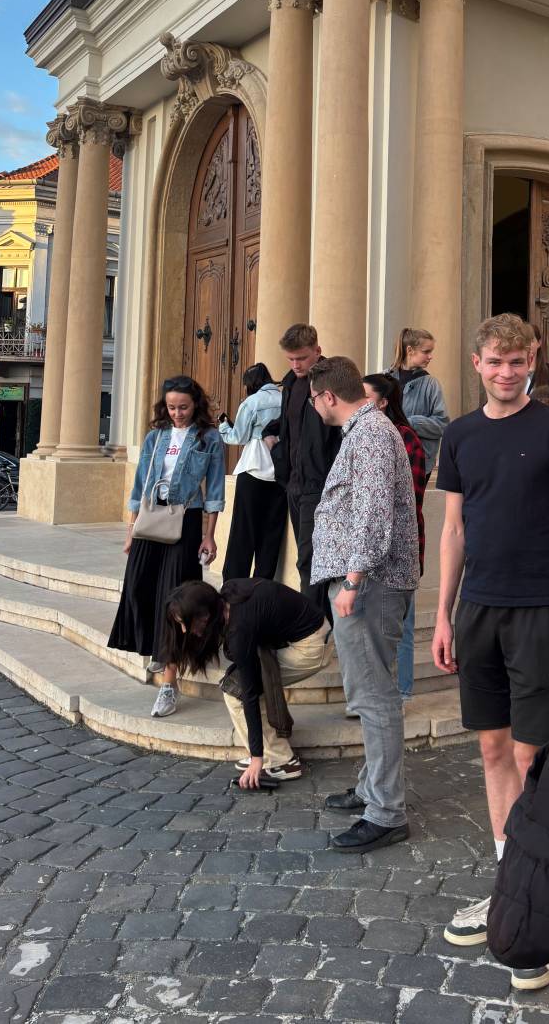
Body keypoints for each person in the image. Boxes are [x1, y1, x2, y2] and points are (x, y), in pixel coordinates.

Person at [433, 312, 549, 992]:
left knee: (533, 756)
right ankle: (508, 882)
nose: (507, 372)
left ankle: (537, 897)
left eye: (518, 361)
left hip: (541, 610)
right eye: (496, 362)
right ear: (476, 363)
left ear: (533, 361)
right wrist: (441, 613)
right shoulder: (460, 435)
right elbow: (453, 530)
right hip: (477, 611)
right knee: (493, 751)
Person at [308, 356, 419, 853]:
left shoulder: (371, 433)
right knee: (368, 694)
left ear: (328, 396)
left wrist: (353, 579)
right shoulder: (367, 429)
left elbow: (372, 511)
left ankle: (386, 811)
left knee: (374, 698)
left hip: (369, 583)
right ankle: (373, 787)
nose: (313, 408)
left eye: (313, 399)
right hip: (366, 579)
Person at [108, 375, 225, 719]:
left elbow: (215, 489)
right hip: (150, 520)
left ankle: (168, 685)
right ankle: (157, 648)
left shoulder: (208, 439)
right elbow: (140, 483)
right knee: (136, 589)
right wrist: (130, 531)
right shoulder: (155, 437)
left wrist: (209, 534)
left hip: (186, 521)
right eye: (172, 407)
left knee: (177, 603)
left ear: (196, 405)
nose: (177, 413)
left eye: (184, 407)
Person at [160, 579, 333, 785]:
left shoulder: (239, 630)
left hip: (312, 647)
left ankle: (281, 762)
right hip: (311, 632)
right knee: (241, 682)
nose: (184, 631)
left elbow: (249, 694)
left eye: (185, 623)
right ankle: (269, 753)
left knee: (236, 692)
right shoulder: (229, 596)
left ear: (204, 616)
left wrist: (257, 759)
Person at [364, 374, 427, 701]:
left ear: (384, 401)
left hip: (400, 548)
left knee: (400, 625)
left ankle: (400, 693)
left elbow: (407, 499)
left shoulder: (405, 438)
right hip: (368, 549)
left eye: (366, 397)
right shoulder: (364, 434)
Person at [273, 324, 342, 616]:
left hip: (320, 484)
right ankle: (316, 623)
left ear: (317, 350)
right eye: (290, 359)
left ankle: (313, 627)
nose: (295, 364)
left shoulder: (333, 382)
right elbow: (288, 426)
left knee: (311, 558)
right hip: (294, 483)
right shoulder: (290, 382)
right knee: (306, 557)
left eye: (301, 358)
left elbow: (340, 432)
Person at [218, 363, 288, 582]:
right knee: (272, 532)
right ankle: (262, 585)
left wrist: (223, 426)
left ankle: (233, 584)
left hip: (253, 468)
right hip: (280, 470)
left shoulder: (251, 402)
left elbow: (237, 437)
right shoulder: (286, 400)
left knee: (243, 531)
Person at [386, 327, 449, 477]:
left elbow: (443, 424)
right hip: (386, 457)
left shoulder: (431, 384)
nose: (430, 356)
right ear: (410, 350)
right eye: (426, 351)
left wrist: (410, 423)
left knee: (414, 501)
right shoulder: (384, 379)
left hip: (418, 460)